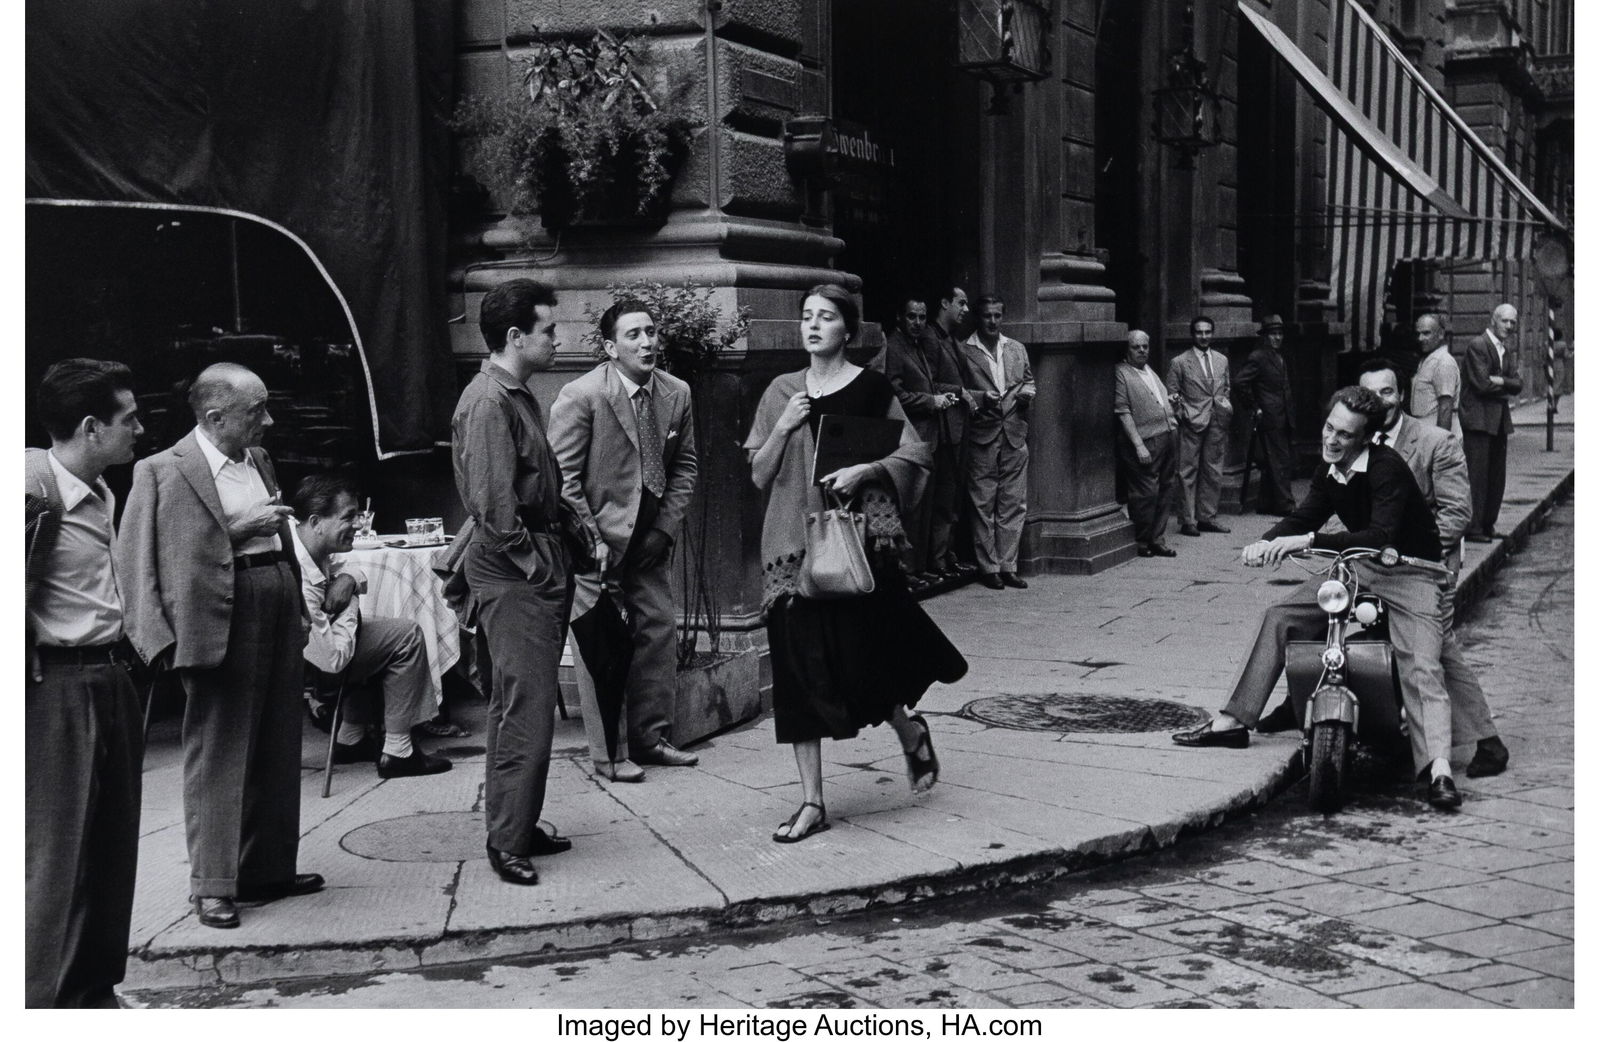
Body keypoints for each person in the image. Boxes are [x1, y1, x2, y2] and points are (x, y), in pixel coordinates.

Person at [744, 285, 967, 843]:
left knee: (862, 661)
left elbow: (914, 453)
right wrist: (783, 425)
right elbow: (758, 473)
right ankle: (812, 801)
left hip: (857, 545)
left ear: (849, 330)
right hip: (792, 549)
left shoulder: (870, 388)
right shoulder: (781, 390)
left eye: (826, 317)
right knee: (797, 676)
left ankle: (906, 727)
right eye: (807, 317)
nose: (813, 326)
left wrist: (865, 470)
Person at [1170, 387, 1463, 810]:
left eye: (1344, 435)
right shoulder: (1330, 469)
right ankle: (1233, 720)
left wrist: (1305, 541)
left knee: (1421, 663)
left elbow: (1379, 535)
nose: (1331, 440)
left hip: (1412, 572)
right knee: (1280, 615)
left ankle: (1438, 769)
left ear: (1366, 439)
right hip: (1360, 568)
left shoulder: (1386, 469)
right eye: (1329, 428)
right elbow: (1305, 514)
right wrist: (1265, 542)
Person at [118, 362, 321, 929]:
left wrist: (300, 608)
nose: (269, 420)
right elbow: (136, 561)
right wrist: (154, 641)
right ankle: (212, 885)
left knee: (279, 742)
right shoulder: (160, 472)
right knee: (218, 752)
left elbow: (281, 538)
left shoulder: (258, 460)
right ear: (215, 417)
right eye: (256, 411)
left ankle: (268, 869)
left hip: (275, 600)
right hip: (216, 615)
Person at [26, 360, 145, 1007]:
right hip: (56, 688)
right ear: (91, 426)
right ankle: (39, 1002)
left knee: (109, 844)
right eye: (129, 419)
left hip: (108, 675)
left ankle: (94, 988)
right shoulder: (31, 484)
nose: (140, 429)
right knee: (56, 851)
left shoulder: (99, 492)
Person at [452, 278, 577, 886]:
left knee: (522, 703)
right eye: (549, 330)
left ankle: (517, 822)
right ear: (514, 336)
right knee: (524, 706)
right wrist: (535, 562)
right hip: (516, 567)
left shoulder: (512, 393)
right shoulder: (487, 402)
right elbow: (494, 505)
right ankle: (507, 840)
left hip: (530, 560)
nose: (558, 339)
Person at [550, 298, 701, 783]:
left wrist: (663, 529)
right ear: (611, 347)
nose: (647, 341)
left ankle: (651, 739)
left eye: (652, 331)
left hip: (649, 540)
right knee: (603, 649)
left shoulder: (676, 393)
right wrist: (591, 539)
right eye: (633, 334)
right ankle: (609, 755)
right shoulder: (582, 395)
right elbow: (564, 479)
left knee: (657, 632)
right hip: (595, 546)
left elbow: (685, 466)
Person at [1354, 359, 1510, 778]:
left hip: (1428, 565)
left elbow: (1457, 514)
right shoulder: (1359, 441)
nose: (1378, 401)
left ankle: (1486, 742)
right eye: (1369, 394)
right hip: (1381, 564)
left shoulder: (1435, 441)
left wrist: (1401, 550)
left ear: (1401, 394)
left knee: (1437, 648)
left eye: (1386, 392)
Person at [289, 475, 451, 778]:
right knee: (406, 636)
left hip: (313, 654)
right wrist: (349, 604)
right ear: (316, 521)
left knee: (373, 633)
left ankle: (351, 737)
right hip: (310, 673)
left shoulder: (305, 542)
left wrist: (348, 580)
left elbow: (349, 569)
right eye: (348, 517)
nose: (359, 524)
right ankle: (399, 751)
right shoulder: (301, 574)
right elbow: (333, 661)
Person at [958, 294, 1035, 590]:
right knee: (982, 501)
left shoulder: (1016, 348)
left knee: (1013, 502)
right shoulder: (965, 351)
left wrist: (1029, 393)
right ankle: (988, 566)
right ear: (978, 318)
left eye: (997, 316)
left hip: (1014, 432)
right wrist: (980, 399)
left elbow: (1028, 380)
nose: (993, 321)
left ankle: (1008, 565)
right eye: (987, 316)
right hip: (982, 433)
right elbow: (959, 389)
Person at [877, 295, 955, 582]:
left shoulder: (920, 345)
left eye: (922, 317)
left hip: (930, 436)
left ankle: (919, 568)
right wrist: (929, 401)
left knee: (927, 505)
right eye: (912, 316)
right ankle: (906, 570)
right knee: (912, 506)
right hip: (910, 437)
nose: (918, 323)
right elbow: (894, 393)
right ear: (900, 317)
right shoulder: (895, 347)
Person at [926, 286, 978, 575]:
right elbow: (928, 383)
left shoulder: (953, 340)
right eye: (961, 302)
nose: (965, 309)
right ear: (944, 303)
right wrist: (959, 391)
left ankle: (947, 554)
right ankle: (938, 559)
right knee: (944, 495)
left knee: (953, 494)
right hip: (943, 430)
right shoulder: (931, 339)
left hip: (958, 427)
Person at [1113, 330, 1179, 558]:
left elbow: (1156, 399)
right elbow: (1123, 411)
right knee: (1145, 492)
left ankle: (1157, 539)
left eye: (1145, 346)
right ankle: (1142, 540)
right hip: (1146, 440)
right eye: (1136, 347)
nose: (1142, 350)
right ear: (1127, 349)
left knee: (1166, 487)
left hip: (1168, 434)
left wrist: (1171, 404)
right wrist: (1138, 444)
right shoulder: (1122, 372)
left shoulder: (1149, 370)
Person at [1459, 303, 1522, 542]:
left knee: (1496, 476)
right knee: (1477, 476)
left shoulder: (1505, 349)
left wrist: (1501, 381)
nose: (1509, 326)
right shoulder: (1478, 345)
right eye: (1505, 321)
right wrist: (1506, 385)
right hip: (1478, 420)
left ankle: (1487, 525)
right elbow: (1481, 384)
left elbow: (1519, 385)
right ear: (1493, 320)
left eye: (1513, 322)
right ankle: (1474, 528)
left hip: (1497, 421)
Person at [1167, 315, 1234, 536]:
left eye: (1207, 332)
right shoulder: (1179, 362)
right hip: (1192, 422)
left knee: (1213, 470)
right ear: (1192, 334)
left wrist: (1224, 407)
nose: (1204, 336)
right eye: (1199, 332)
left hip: (1217, 421)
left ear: (1212, 334)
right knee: (1187, 471)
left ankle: (1207, 517)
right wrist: (1183, 413)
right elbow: (1172, 394)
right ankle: (1188, 521)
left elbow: (1226, 388)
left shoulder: (1221, 360)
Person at [1236, 314, 1297, 515]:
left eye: (1280, 334)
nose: (1277, 338)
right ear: (1265, 336)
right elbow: (1240, 382)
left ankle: (1265, 503)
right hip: (1269, 416)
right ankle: (1286, 506)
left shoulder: (1279, 356)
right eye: (1273, 334)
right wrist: (1254, 407)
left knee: (1274, 459)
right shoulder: (1258, 357)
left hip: (1282, 415)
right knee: (1280, 461)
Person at [1409, 313, 1459, 430]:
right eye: (1418, 334)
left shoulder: (1444, 362)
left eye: (1426, 333)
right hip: (1423, 428)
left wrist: (1441, 444)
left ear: (1441, 334)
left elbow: (1445, 408)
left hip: (1434, 430)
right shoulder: (1427, 359)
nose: (1420, 338)